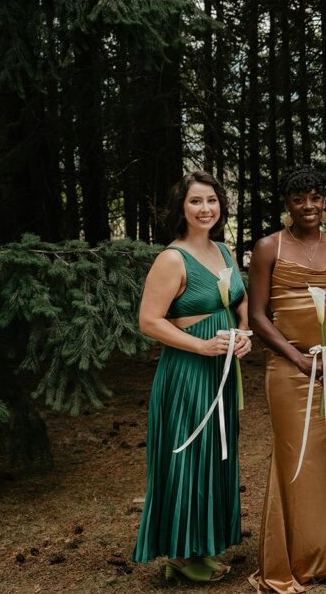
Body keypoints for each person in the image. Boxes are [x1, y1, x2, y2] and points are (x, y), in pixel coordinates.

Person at [134, 171, 251, 583]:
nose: (206, 209)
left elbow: (240, 300)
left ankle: (201, 544)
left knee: (214, 455)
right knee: (187, 456)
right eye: (196, 202)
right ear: (181, 208)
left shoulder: (223, 250)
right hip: (187, 372)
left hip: (222, 367)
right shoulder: (172, 258)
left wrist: (244, 334)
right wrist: (201, 346)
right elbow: (149, 321)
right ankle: (179, 554)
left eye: (212, 201)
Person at [247, 166, 326, 592]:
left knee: (317, 462)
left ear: (324, 201)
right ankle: (281, 562)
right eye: (298, 199)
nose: (308, 206)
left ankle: (313, 560)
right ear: (287, 205)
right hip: (288, 368)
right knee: (292, 458)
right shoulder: (267, 247)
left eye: (315, 197)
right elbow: (257, 315)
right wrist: (294, 356)